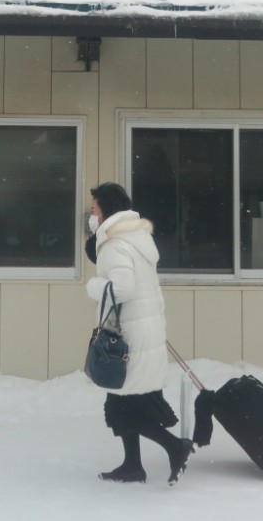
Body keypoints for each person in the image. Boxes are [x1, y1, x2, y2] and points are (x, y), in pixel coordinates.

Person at [85, 182, 194, 485]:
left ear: (106, 209)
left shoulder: (116, 244)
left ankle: (176, 447)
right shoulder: (133, 236)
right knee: (122, 400)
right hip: (142, 329)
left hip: (131, 335)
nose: (91, 215)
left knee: (125, 406)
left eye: (94, 209)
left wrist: (93, 288)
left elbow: (121, 288)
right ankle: (133, 465)